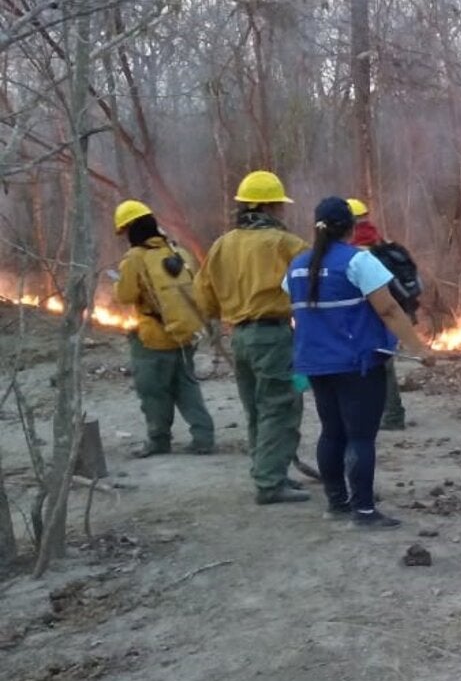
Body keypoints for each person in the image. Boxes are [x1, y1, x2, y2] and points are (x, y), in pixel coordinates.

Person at [286, 197, 432, 528]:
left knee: (331, 433)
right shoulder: (358, 262)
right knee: (361, 437)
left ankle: (337, 503)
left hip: (317, 364)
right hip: (357, 364)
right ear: (351, 227)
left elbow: (296, 309)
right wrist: (419, 349)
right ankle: (364, 511)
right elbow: (389, 309)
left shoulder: (297, 265)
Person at [194, 170, 309, 506]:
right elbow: (311, 284)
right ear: (271, 207)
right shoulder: (286, 244)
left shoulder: (222, 244)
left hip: (240, 337)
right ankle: (270, 482)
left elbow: (204, 295)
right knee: (281, 407)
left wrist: (221, 317)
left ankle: (268, 470)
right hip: (274, 336)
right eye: (280, 206)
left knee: (257, 409)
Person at [111, 199, 216, 457]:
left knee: (153, 391)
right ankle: (204, 437)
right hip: (185, 335)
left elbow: (125, 295)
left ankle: (159, 440)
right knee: (187, 387)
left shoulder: (135, 258)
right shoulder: (177, 252)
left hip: (153, 339)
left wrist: (117, 284)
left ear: (131, 230)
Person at [347, 197, 422, 431]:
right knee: (382, 363)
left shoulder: (356, 251)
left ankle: (391, 416)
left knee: (378, 366)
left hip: (373, 315)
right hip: (397, 313)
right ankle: (388, 414)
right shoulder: (385, 243)